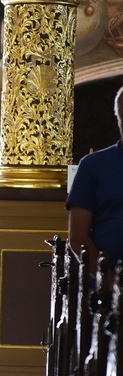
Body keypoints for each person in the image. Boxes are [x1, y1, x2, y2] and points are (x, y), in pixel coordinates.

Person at [67, 86, 123, 279]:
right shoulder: (93, 165)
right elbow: (78, 236)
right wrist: (107, 281)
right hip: (105, 283)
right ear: (118, 119)